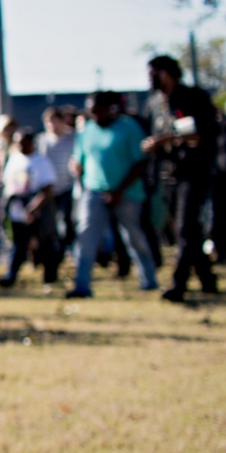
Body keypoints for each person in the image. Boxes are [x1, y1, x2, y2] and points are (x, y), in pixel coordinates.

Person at [143, 54, 219, 300]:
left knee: (185, 228)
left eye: (154, 73)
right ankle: (208, 280)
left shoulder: (194, 97)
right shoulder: (154, 103)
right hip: (168, 172)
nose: (150, 79)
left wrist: (171, 138)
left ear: (167, 72)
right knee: (188, 230)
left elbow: (205, 134)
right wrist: (151, 144)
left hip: (194, 171)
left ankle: (179, 285)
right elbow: (151, 131)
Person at [68, 91, 157, 298]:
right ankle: (81, 285)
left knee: (133, 236)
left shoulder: (129, 128)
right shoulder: (87, 130)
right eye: (91, 112)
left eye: (98, 111)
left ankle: (148, 280)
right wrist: (76, 168)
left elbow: (140, 162)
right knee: (86, 237)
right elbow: (79, 159)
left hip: (127, 193)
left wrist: (119, 191)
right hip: (94, 191)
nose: (95, 116)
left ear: (111, 109)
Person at [0, 129, 62, 289]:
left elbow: (48, 188)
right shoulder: (13, 160)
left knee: (45, 244)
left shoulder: (41, 161)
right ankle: (10, 276)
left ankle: (49, 277)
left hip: (38, 208)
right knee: (18, 244)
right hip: (17, 208)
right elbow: (9, 186)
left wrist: (34, 207)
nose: (19, 146)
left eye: (22, 142)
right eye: (17, 142)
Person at [40, 106, 78, 244]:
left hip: (68, 187)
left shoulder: (73, 137)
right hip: (49, 189)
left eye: (54, 121)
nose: (52, 126)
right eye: (48, 122)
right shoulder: (42, 141)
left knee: (66, 221)